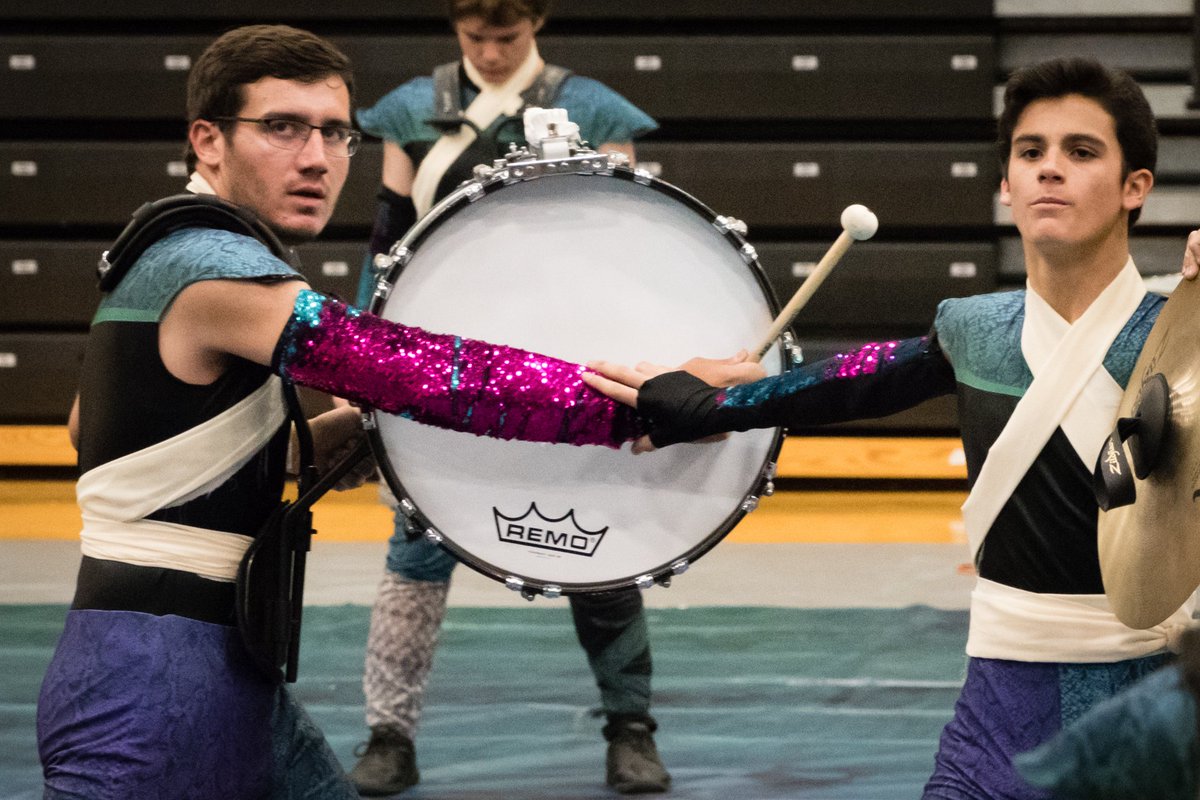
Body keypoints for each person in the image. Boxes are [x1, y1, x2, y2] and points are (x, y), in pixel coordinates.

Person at [37, 24, 643, 800]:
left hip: (191, 664)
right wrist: (655, 401)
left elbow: (92, 430)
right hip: (153, 692)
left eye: (335, 133)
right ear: (208, 140)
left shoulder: (163, 247)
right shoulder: (214, 266)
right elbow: (433, 377)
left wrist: (333, 442)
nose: (317, 158)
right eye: (282, 127)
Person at [587, 57, 1193, 800]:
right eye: (1030, 151)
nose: (1049, 168)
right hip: (997, 704)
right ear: (1006, 184)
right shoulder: (970, 329)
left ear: (1136, 186)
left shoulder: (1183, 336)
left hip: (1148, 701)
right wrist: (704, 406)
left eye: (1082, 151)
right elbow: (847, 383)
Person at [344, 2, 668, 796]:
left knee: (598, 542)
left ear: (538, 23)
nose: (490, 53)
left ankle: (630, 727)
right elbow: (386, 248)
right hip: (438, 361)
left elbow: (633, 249)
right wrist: (357, 360)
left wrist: (639, 363)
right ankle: (389, 735)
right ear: (454, 26)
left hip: (568, 357)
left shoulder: (596, 111)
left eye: (507, 37)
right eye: (475, 37)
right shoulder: (410, 112)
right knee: (416, 545)